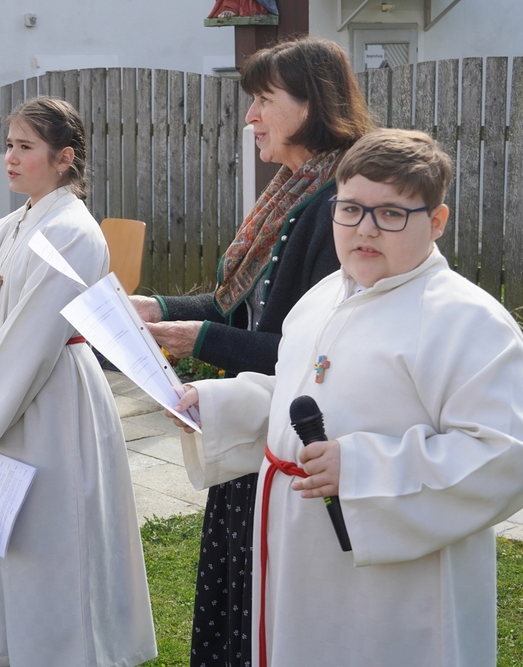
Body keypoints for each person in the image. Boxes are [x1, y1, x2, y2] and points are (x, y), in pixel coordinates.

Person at [169, 128, 523, 666]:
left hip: (397, 583)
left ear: (437, 221)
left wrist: (361, 468)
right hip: (299, 551)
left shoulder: (467, 321)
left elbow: (504, 455)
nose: (366, 229)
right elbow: (303, 393)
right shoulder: (321, 297)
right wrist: (216, 405)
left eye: (391, 213)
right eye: (351, 209)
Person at [130, 36, 374, 667]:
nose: (250, 117)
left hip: (293, 441)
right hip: (250, 431)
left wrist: (202, 340)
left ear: (311, 103)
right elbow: (239, 307)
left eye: (264, 100)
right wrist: (160, 308)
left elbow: (314, 350)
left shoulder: (340, 206)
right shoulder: (293, 191)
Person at [0, 97, 157, 667]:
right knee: (9, 541)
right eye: (8, 145)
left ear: (64, 159)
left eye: (25, 147)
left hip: (54, 401)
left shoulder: (74, 231)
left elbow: (34, 336)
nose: (9, 158)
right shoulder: (6, 226)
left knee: (55, 543)